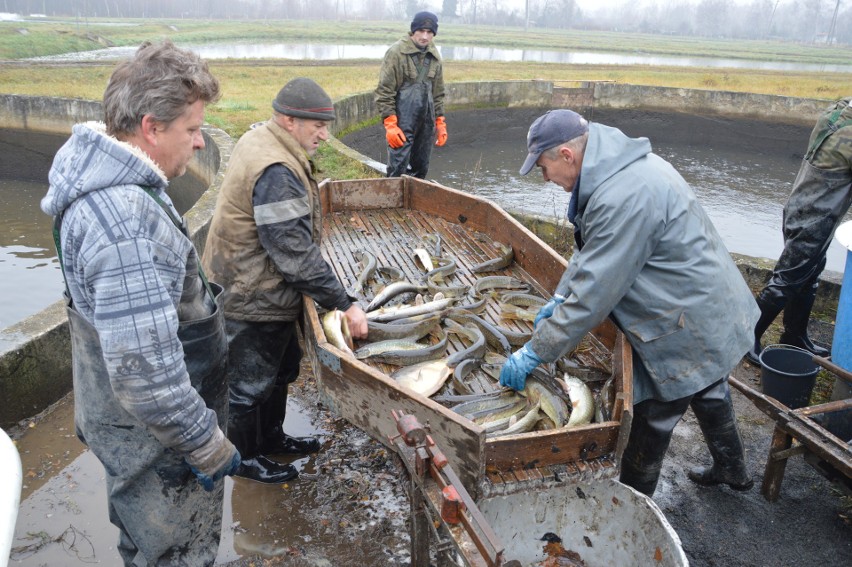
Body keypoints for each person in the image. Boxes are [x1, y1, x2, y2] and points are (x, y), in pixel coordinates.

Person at [41, 40, 239, 565]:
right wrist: (207, 444)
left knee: (143, 537)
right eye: (193, 129)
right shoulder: (125, 223)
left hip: (130, 429)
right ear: (151, 127)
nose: (200, 143)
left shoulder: (101, 179)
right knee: (173, 550)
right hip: (159, 443)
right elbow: (145, 373)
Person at [499, 109, 759, 497]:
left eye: (544, 167)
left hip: (688, 320)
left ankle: (634, 507)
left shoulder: (623, 195)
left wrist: (537, 350)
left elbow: (595, 294)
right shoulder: (624, 166)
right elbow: (593, 250)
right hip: (712, 305)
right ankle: (734, 471)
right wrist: (560, 295)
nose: (546, 178)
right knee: (709, 385)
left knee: (652, 418)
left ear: (567, 155)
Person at [202, 77, 368, 485]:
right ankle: (245, 459)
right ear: (290, 120)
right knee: (247, 385)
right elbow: (294, 255)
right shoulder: (276, 169)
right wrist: (344, 303)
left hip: (257, 284)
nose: (325, 135)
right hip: (251, 292)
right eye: (318, 126)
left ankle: (272, 437)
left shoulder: (264, 139)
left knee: (278, 370)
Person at [747, 97, 852, 365]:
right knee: (786, 281)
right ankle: (747, 338)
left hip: (802, 207)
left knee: (808, 276)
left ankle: (794, 337)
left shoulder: (836, 113)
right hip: (815, 217)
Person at [376, 10, 447, 178]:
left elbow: (438, 92)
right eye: (421, 31)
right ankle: (391, 202)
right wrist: (390, 124)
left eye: (429, 32)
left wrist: (440, 121)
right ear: (413, 30)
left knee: (421, 167)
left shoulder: (434, 56)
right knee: (398, 166)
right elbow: (385, 91)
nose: (425, 36)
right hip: (401, 121)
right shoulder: (396, 53)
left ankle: (412, 203)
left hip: (426, 122)